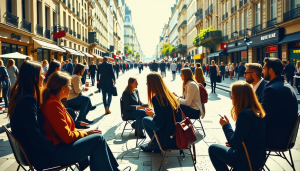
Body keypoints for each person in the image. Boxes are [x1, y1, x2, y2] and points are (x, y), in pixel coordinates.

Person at [40, 69, 131, 171]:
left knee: (97, 137)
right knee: (98, 139)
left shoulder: (55, 101)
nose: (70, 89)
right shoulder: (52, 104)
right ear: (62, 89)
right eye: (69, 86)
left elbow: (66, 131)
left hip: (61, 146)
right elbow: (66, 136)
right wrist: (86, 133)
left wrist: (86, 132)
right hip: (57, 151)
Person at [209, 81, 266, 171]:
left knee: (212, 149)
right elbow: (243, 137)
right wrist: (235, 140)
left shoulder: (245, 115)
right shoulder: (254, 111)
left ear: (239, 96)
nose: (231, 98)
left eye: (232, 94)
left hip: (246, 159)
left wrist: (226, 126)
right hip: (257, 157)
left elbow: (234, 144)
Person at [261, 57, 298, 149]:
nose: (262, 71)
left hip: (275, 139)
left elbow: (263, 118)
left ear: (271, 71)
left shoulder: (272, 90)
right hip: (286, 137)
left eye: (264, 69)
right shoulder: (285, 85)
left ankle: (245, 161)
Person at [141, 72, 182, 153]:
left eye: (148, 81)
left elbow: (160, 123)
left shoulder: (156, 98)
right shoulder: (169, 95)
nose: (146, 83)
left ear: (152, 83)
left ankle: (155, 144)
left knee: (145, 119)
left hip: (167, 135)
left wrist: (152, 115)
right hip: (176, 131)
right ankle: (154, 143)